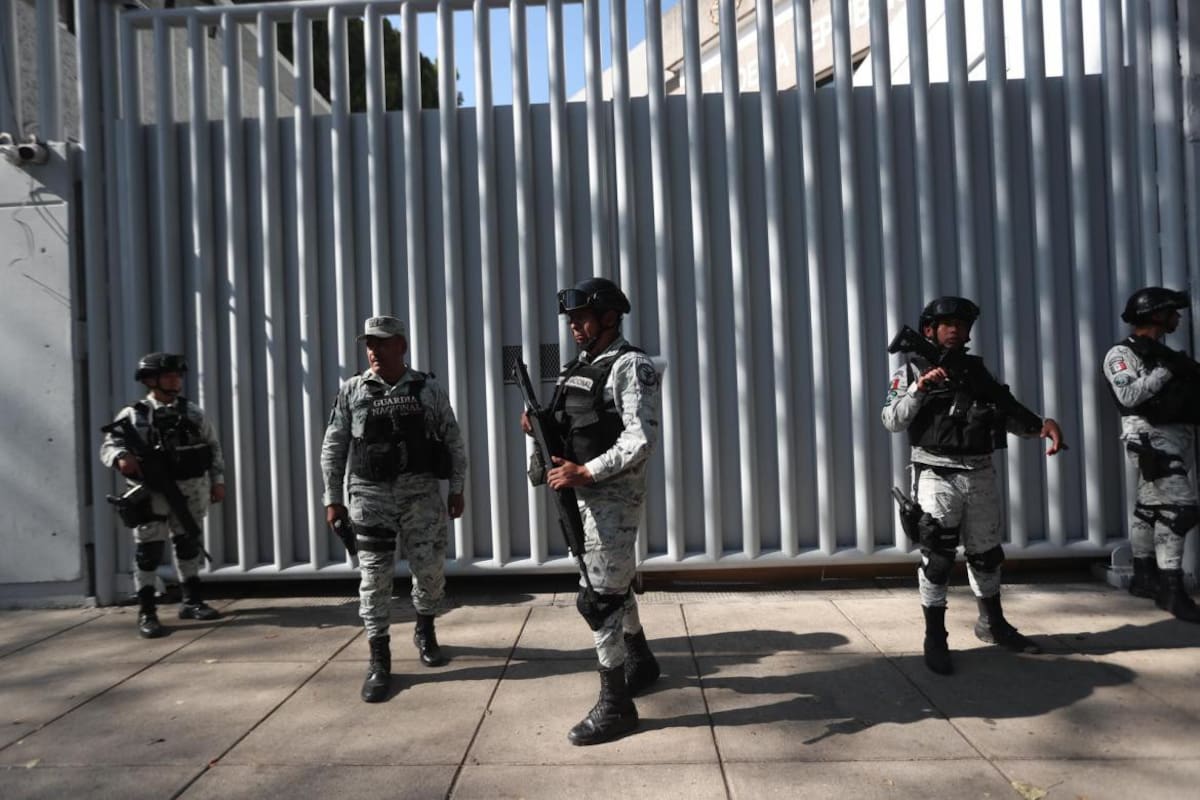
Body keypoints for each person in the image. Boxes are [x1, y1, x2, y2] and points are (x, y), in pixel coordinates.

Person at [881, 297, 1066, 675]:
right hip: (936, 474)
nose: (955, 330)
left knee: (985, 555)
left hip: (980, 472)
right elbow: (892, 420)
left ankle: (992, 623)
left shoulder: (977, 371)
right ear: (929, 329)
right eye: (946, 323)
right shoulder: (910, 369)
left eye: (961, 324)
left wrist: (1040, 426)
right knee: (938, 558)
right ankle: (935, 636)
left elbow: (1004, 408)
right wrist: (920, 388)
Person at [521, 277, 662, 745]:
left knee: (598, 599)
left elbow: (639, 438)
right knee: (612, 585)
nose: (575, 328)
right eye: (571, 321)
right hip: (579, 496)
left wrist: (588, 472)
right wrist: (537, 430)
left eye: (582, 318)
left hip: (613, 499)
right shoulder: (579, 367)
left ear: (608, 317)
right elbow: (570, 426)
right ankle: (640, 659)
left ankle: (616, 706)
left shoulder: (630, 364)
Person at [321, 316, 468, 703]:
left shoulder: (427, 389)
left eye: (382, 343)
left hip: (421, 497)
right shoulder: (353, 390)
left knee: (430, 572)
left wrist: (456, 488)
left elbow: (452, 439)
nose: (374, 350)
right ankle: (380, 658)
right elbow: (334, 447)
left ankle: (425, 629)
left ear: (401, 345)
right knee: (373, 580)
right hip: (370, 497)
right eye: (369, 344)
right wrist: (333, 499)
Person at [99, 352, 225, 638]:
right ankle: (147, 611)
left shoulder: (192, 412)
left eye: (177, 375)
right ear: (150, 380)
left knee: (188, 543)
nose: (175, 380)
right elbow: (109, 445)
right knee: (149, 551)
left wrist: (218, 481)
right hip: (151, 493)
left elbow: (213, 447)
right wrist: (121, 456)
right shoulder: (134, 415)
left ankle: (191, 601)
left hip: (191, 490)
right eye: (169, 375)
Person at [1103, 287, 1200, 622]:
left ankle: (1145, 576)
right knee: (1181, 509)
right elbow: (1129, 394)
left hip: (1175, 436)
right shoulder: (1122, 353)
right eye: (1172, 311)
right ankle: (1172, 590)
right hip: (1149, 437)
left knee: (1149, 508)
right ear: (1156, 314)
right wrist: (1166, 371)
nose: (1178, 317)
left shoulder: (1164, 353)